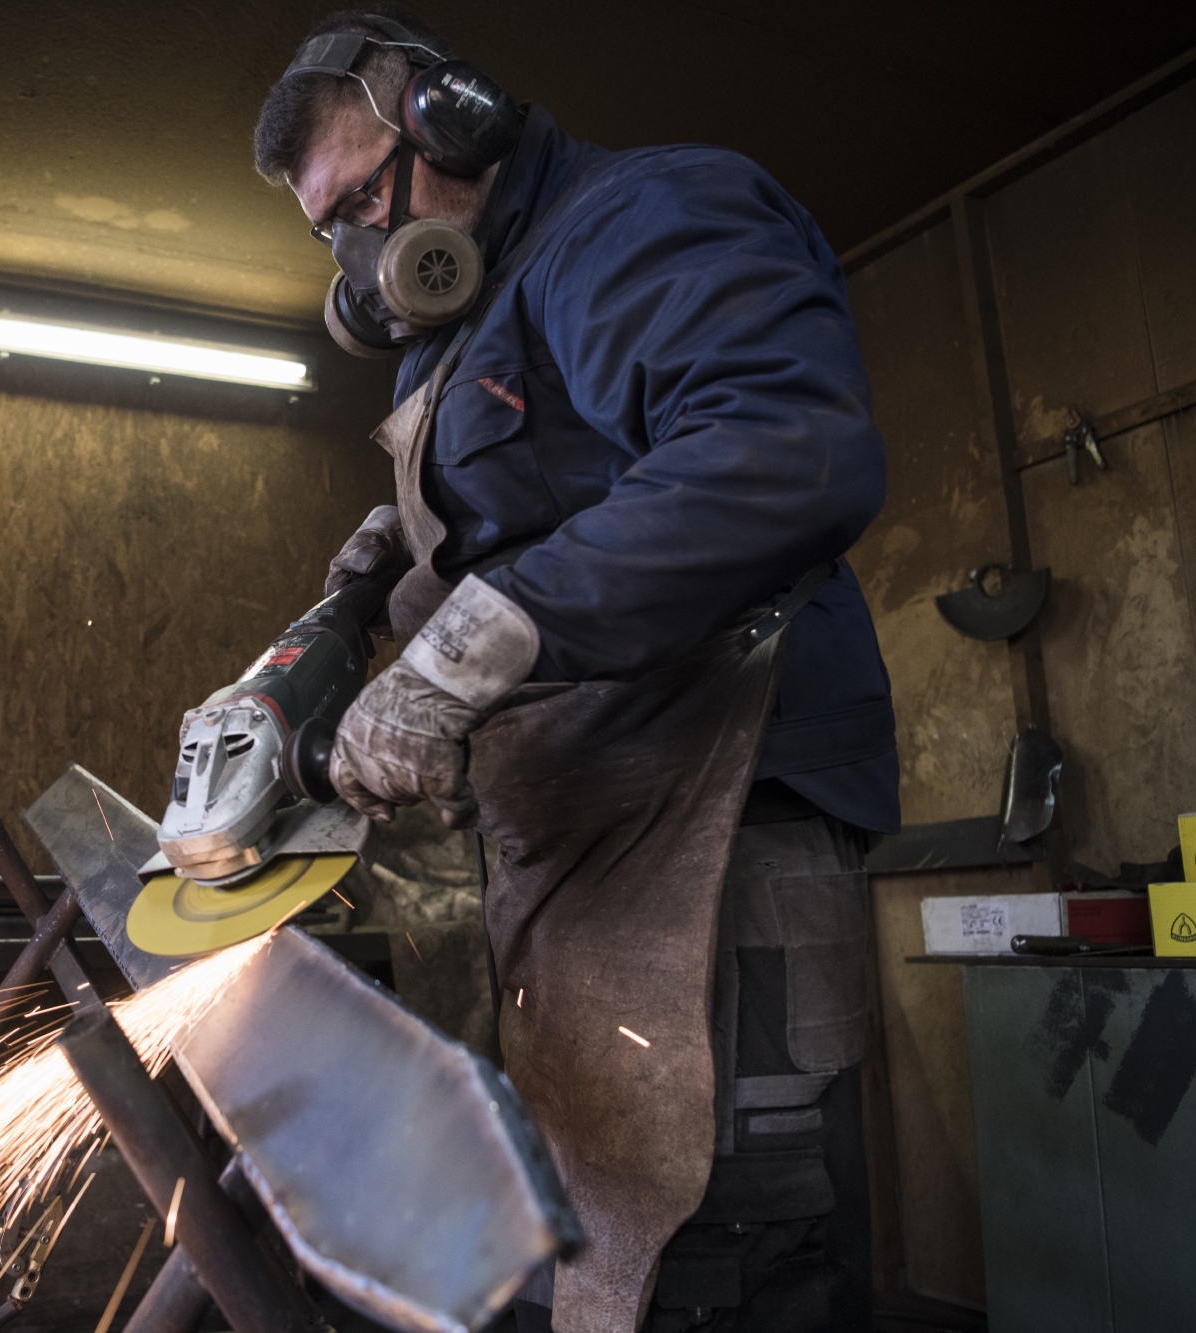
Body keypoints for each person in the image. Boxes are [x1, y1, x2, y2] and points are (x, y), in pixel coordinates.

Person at [254, 11, 897, 1333]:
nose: (364, 253)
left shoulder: (641, 218)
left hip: (722, 828)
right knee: (599, 1242)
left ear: (457, 121)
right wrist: (393, 561)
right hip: (583, 835)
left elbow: (780, 448)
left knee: (724, 1249)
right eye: (332, 231)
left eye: (367, 200)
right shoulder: (471, 315)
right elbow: (548, 498)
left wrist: (457, 654)